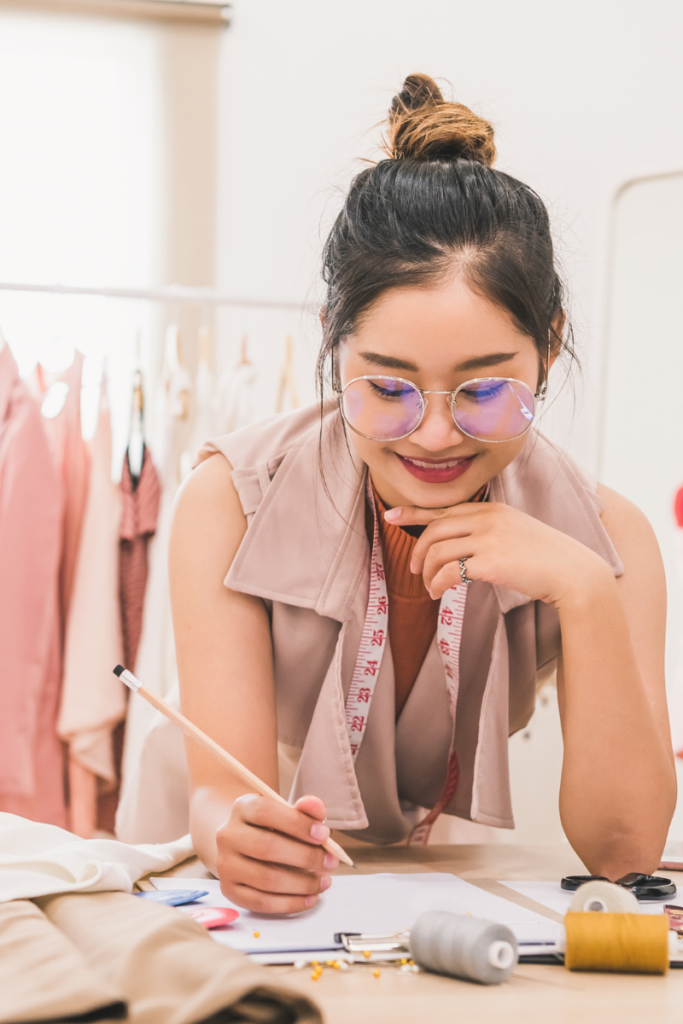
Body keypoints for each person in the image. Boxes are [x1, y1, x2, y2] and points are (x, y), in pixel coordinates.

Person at [169, 74, 676, 914]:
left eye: (482, 392)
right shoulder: (229, 500)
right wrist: (234, 830)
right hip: (230, 890)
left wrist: (585, 591)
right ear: (335, 337)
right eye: (388, 388)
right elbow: (219, 791)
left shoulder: (607, 536)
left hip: (429, 893)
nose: (434, 435)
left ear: (547, 345)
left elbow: (625, 853)